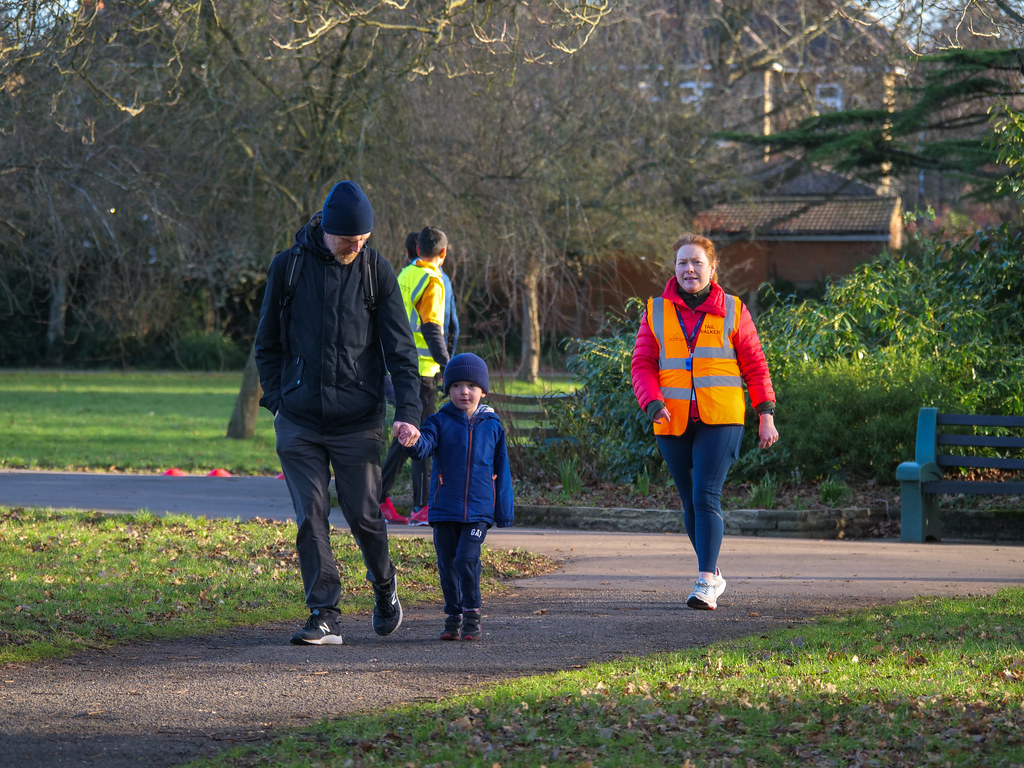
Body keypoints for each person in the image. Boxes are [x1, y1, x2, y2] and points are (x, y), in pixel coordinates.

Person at [254, 180, 423, 645]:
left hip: (357, 419)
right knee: (311, 514)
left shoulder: (377, 273)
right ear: (327, 230)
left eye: (364, 240)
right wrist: (279, 400)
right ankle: (323, 612)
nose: (357, 247)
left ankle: (384, 585)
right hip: (300, 418)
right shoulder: (288, 269)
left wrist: (408, 410)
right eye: (350, 240)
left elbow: (401, 352)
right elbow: (266, 344)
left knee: (365, 514)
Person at [630, 233, 778, 611]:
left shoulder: (733, 309)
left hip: (722, 418)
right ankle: (712, 569)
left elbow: (755, 365)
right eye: (682, 262)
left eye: (696, 262)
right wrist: (652, 404)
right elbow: (643, 364)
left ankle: (706, 581)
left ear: (712, 269)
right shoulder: (656, 311)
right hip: (671, 420)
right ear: (674, 269)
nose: (689, 269)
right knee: (689, 502)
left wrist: (765, 413)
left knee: (705, 495)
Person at [396, 352, 514, 640]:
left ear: (483, 391)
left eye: (471, 386)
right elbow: (423, 447)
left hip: (478, 510)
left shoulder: (493, 426)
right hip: (445, 507)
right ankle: (453, 617)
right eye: (457, 385)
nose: (464, 391)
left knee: (465, 559)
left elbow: (503, 470)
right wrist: (412, 439)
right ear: (448, 390)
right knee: (447, 563)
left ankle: (472, 612)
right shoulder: (438, 422)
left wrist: (504, 512)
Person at [379, 227, 451, 527]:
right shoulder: (432, 281)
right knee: (419, 436)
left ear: (416, 250)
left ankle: (381, 497)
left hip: (397, 367)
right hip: (422, 372)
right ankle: (417, 505)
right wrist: (449, 367)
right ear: (443, 254)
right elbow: (432, 329)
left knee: (409, 436)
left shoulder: (405, 275)